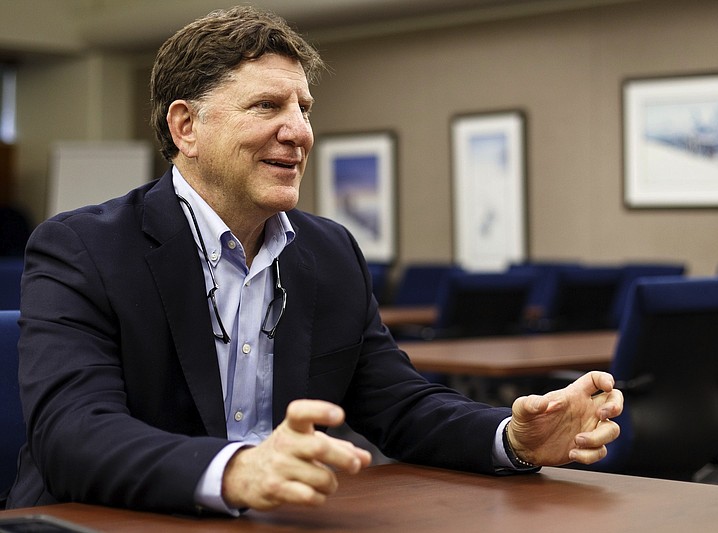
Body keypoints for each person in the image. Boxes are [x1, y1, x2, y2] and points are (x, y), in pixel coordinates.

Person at [7, 6, 622, 515]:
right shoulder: (82, 249)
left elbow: (399, 406)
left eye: (304, 108)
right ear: (186, 127)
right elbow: (73, 433)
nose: (299, 131)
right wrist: (236, 471)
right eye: (267, 107)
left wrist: (512, 438)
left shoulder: (329, 252)